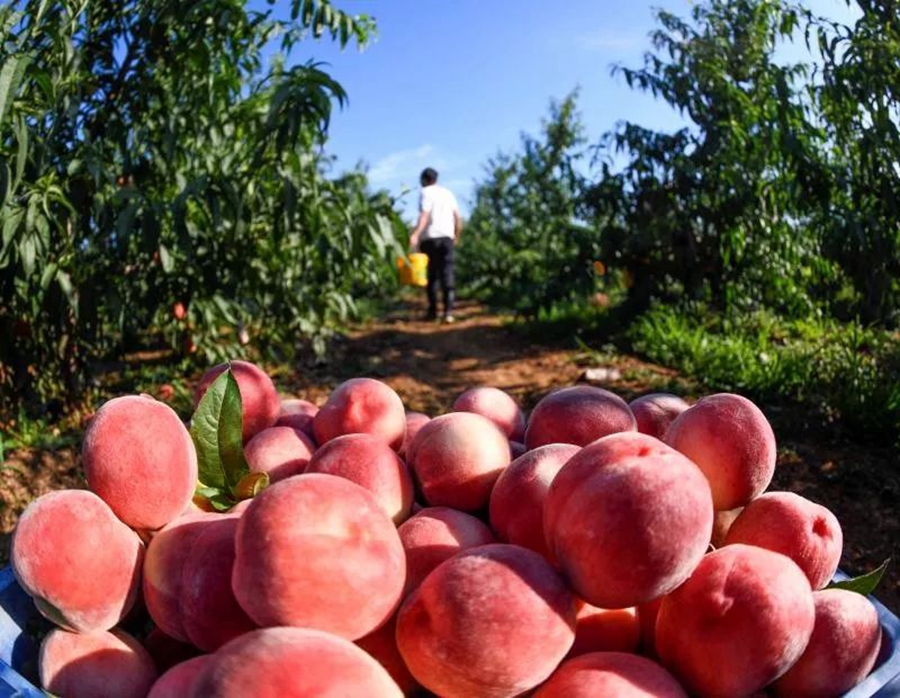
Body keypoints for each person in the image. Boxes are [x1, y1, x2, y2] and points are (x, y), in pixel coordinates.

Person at [409, 167, 462, 323]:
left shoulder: (426, 192)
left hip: (430, 238)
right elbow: (457, 217)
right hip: (446, 238)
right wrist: (456, 235)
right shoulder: (448, 193)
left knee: (432, 275)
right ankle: (448, 312)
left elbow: (424, 214)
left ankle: (433, 312)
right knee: (447, 272)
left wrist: (415, 234)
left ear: (424, 180)